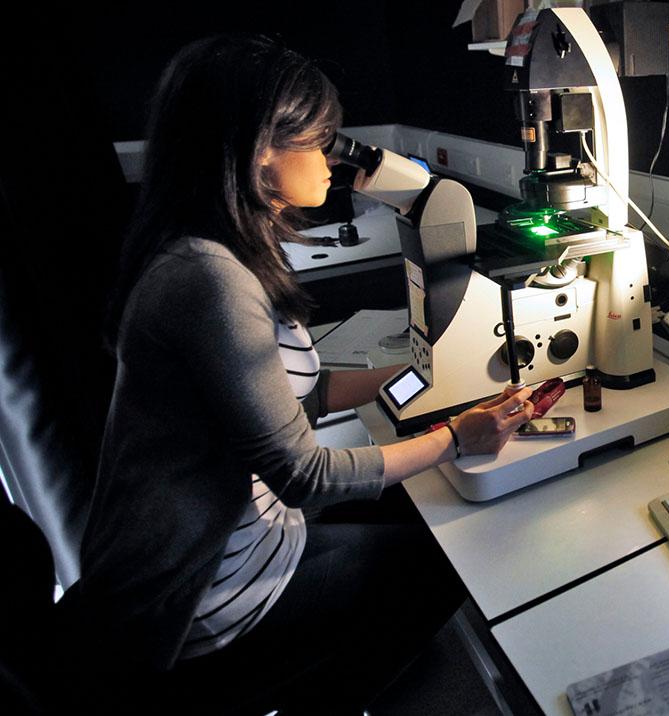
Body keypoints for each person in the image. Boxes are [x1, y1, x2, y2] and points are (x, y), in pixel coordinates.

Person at [55, 34, 533, 714]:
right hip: (201, 596)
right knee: (447, 559)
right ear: (257, 153)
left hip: (250, 546)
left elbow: (298, 398)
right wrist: (458, 437)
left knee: (418, 512)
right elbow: (303, 473)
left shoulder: (217, 254)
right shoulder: (208, 280)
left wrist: (430, 371)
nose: (335, 157)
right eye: (319, 139)